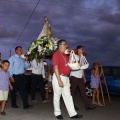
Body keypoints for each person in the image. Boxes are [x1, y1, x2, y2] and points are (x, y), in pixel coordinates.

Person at [52, 39, 83, 119]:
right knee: (57, 96)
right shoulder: (56, 54)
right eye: (65, 44)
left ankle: (73, 114)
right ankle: (57, 113)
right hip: (58, 76)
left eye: (66, 44)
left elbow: (71, 65)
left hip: (66, 78)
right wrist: (59, 80)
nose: (66, 46)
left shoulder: (66, 56)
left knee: (68, 96)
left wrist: (78, 57)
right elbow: (56, 67)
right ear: (60, 45)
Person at [70, 45, 96, 110]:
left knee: (83, 91)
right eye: (82, 49)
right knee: (73, 92)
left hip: (80, 76)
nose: (83, 50)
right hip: (74, 76)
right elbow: (78, 65)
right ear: (78, 49)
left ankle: (87, 106)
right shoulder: (74, 56)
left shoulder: (82, 57)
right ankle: (71, 106)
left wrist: (84, 76)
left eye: (83, 49)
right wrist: (81, 57)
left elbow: (82, 68)